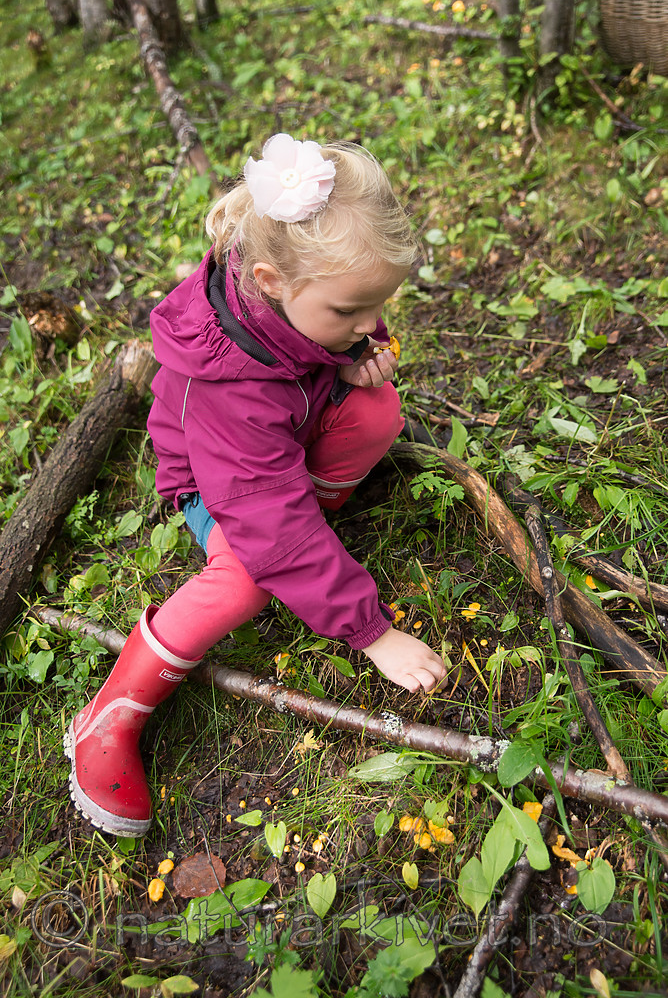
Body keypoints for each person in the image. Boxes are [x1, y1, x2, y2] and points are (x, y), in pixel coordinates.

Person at [65, 134, 447, 837]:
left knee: (374, 411)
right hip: (220, 483)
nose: (369, 325)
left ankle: (313, 529)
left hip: (281, 446)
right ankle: (109, 716)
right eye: (350, 314)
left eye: (377, 305)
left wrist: (355, 353)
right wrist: (371, 633)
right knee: (247, 577)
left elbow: (337, 330)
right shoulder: (229, 389)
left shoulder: (307, 303)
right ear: (271, 280)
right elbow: (266, 514)